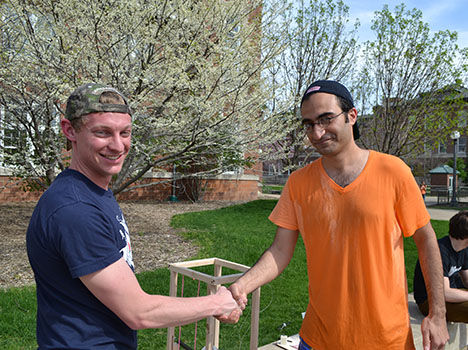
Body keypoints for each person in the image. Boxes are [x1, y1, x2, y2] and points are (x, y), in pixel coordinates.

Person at [221, 80, 449, 350]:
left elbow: (426, 240)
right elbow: (280, 250)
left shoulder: (393, 171)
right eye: (308, 124)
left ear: (352, 115)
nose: (317, 133)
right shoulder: (298, 183)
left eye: (326, 119)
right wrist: (242, 285)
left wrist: (438, 314)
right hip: (318, 339)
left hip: (387, 340)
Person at [26, 83, 241, 349]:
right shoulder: (75, 210)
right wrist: (216, 302)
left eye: (125, 132)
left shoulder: (94, 192)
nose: (117, 145)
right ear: (70, 130)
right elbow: (139, 311)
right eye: (102, 132)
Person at [414, 210, 468, 323]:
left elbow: (467, 279)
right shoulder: (439, 251)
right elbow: (444, 293)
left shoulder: (463, 250)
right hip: (429, 301)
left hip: (448, 294)